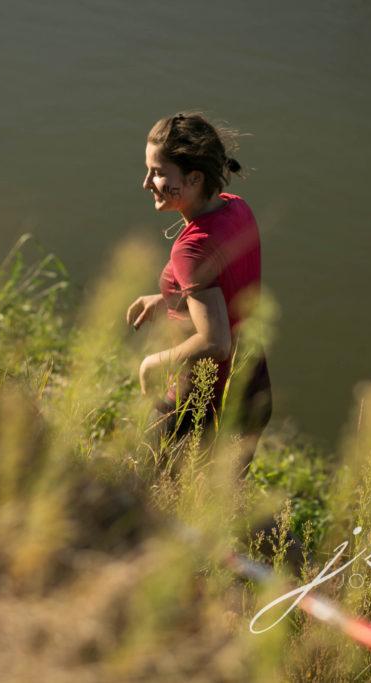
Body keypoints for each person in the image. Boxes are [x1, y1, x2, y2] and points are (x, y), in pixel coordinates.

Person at [126, 112, 272, 473]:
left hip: (201, 403)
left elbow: (217, 341)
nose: (147, 183)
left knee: (156, 494)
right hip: (253, 388)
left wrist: (151, 364)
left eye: (158, 173)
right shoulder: (237, 208)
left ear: (194, 178)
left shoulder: (190, 248)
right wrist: (170, 296)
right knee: (220, 502)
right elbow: (227, 283)